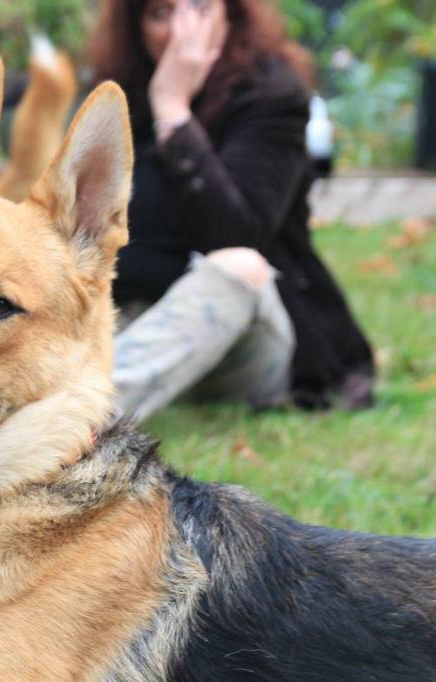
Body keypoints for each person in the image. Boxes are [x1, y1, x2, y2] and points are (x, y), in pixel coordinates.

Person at [89, 0, 374, 421]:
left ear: (230, 13)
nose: (182, 29)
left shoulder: (272, 94)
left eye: (199, 6)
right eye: (161, 13)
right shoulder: (117, 97)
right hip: (138, 320)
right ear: (137, 28)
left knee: (240, 265)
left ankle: (82, 419)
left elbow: (238, 232)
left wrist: (173, 111)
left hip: (247, 337)